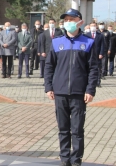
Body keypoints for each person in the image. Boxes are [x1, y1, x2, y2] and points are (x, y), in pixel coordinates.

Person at [45, 9, 98, 166]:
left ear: (79, 22)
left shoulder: (88, 42)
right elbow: (49, 66)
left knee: (77, 130)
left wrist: (90, 90)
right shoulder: (57, 42)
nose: (68, 22)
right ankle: (65, 159)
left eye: (71, 19)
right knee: (63, 129)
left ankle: (76, 161)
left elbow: (93, 69)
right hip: (60, 92)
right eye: (66, 20)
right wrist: (48, 87)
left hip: (79, 93)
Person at [85, 22, 105, 87]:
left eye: (94, 26)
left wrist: (101, 53)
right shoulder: (86, 35)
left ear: (96, 27)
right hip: (89, 54)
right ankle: (89, 82)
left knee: (98, 68)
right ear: (89, 27)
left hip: (97, 54)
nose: (93, 27)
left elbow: (103, 45)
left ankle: (98, 82)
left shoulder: (100, 35)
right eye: (91, 26)